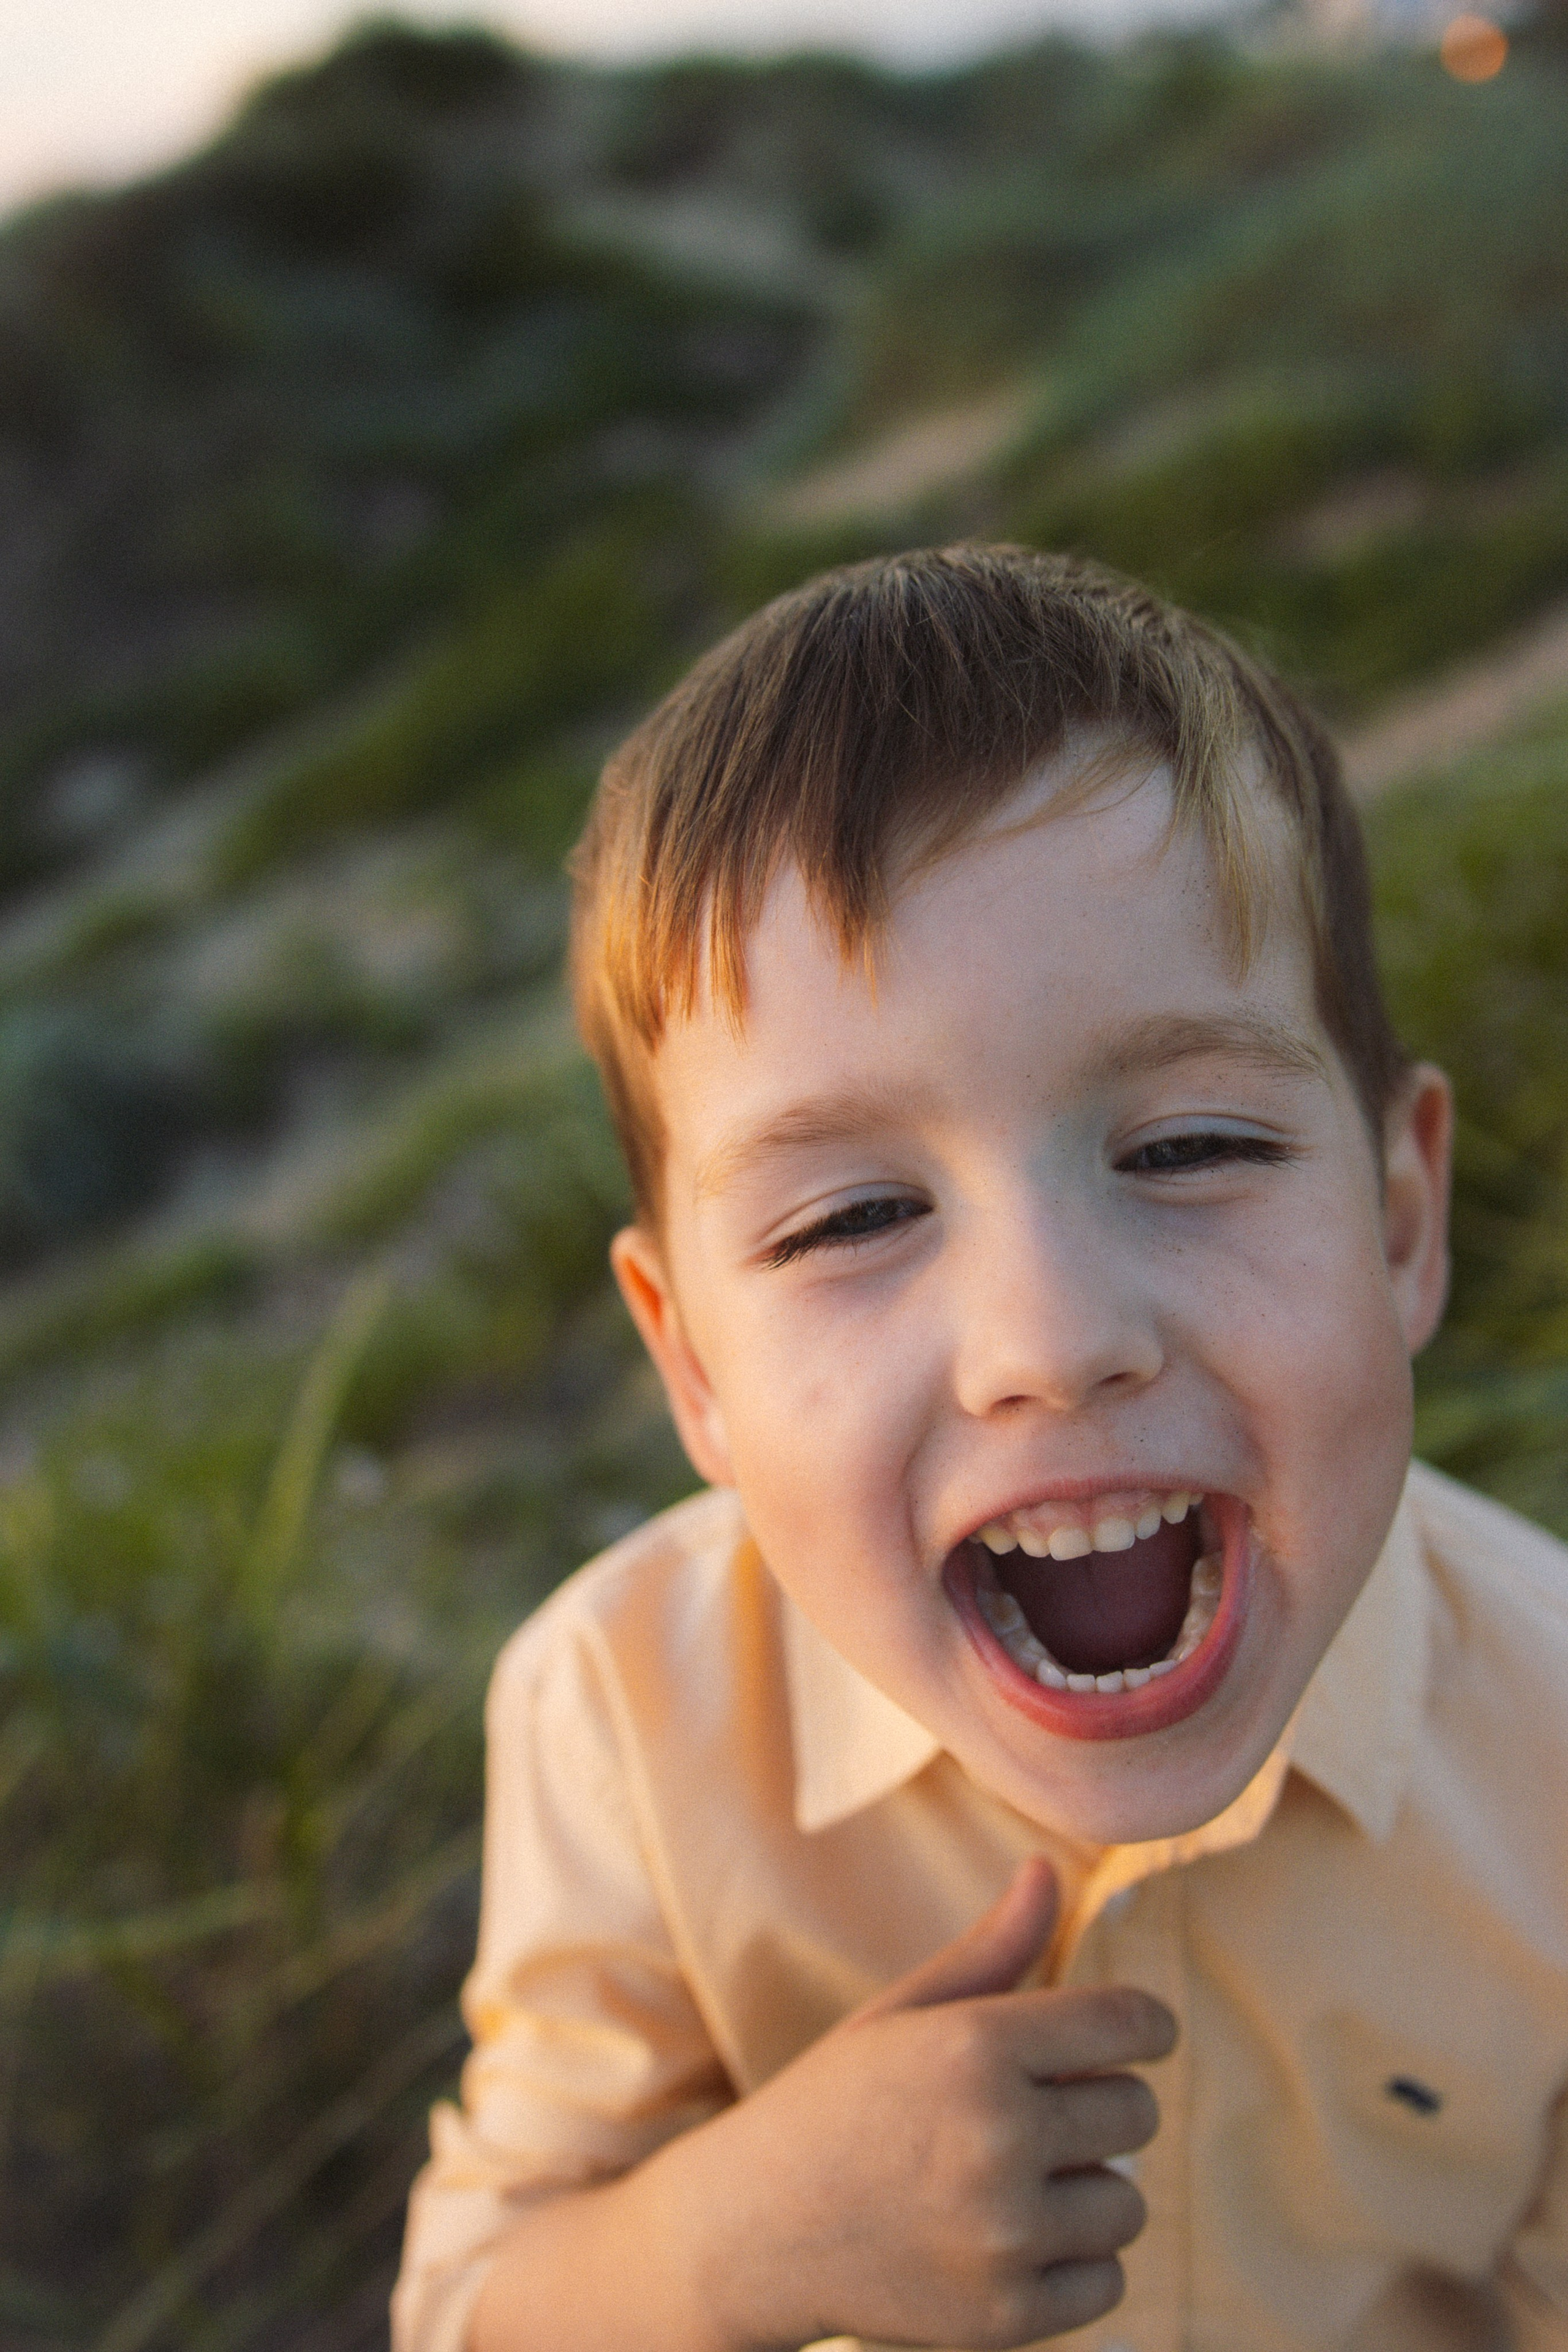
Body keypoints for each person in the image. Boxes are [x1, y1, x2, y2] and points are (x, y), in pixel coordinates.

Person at [392, 546, 1568, 2352]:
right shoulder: (620, 1715)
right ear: (690, 1361)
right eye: (854, 1213)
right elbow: (471, 2308)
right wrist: (728, 2244)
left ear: (1405, 1220)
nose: (1054, 1342)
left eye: (1190, 1149)